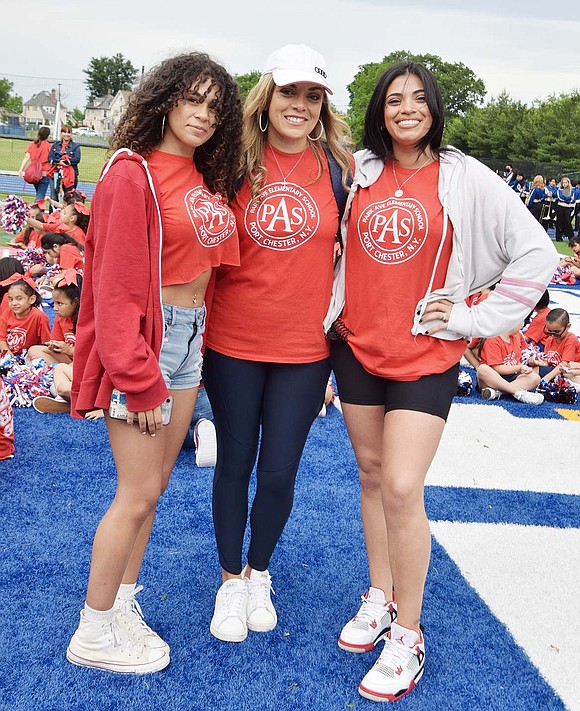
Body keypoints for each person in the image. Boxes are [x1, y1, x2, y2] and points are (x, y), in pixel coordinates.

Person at [323, 61, 558, 703]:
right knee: (371, 476)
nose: (406, 108)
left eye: (418, 99)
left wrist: (472, 318)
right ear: (380, 109)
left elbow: (538, 253)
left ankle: (409, 632)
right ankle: (379, 593)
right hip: (356, 348)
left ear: (434, 109)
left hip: (426, 354)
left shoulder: (464, 175)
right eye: (394, 99)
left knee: (402, 485)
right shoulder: (361, 171)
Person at [67, 52, 242, 674]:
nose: (202, 115)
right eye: (192, 100)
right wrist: (138, 377)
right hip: (149, 341)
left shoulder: (203, 178)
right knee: (136, 492)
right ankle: (92, 630)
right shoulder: (129, 172)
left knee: (156, 489)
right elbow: (112, 288)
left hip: (190, 340)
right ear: (165, 99)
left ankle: (122, 604)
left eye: (215, 107)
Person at [203, 43, 352, 644]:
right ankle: (229, 579)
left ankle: (259, 571)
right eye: (290, 92)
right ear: (268, 97)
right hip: (233, 341)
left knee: (281, 473)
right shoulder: (232, 160)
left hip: (304, 351)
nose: (300, 104)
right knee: (234, 463)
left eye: (312, 95)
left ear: (322, 106)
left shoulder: (340, 169)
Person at [477, 323, 544, 404]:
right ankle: (517, 392)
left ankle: (498, 393)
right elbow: (497, 368)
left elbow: (522, 355)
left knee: (535, 377)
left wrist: (529, 366)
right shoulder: (493, 339)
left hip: (511, 376)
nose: (522, 325)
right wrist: (519, 367)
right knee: (482, 368)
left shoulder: (517, 336)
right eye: (520, 322)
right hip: (492, 378)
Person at [0, 275, 50, 356]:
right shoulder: (7, 313)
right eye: (10, 299)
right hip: (8, 354)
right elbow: (2, 340)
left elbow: (45, 343)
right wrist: (9, 357)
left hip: (30, 356)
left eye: (19, 299)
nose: (14, 303)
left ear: (31, 299)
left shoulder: (40, 317)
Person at [48, 125, 81, 202]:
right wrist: (58, 162)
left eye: (68, 132)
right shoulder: (55, 145)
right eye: (64, 132)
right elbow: (50, 157)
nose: (66, 134)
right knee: (54, 197)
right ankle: (53, 213)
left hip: (70, 176)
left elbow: (76, 159)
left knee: (69, 197)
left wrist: (65, 162)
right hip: (55, 175)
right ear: (61, 133)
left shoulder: (75, 146)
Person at [17, 126, 52, 200]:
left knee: (39, 194)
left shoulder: (32, 144)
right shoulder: (49, 146)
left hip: (34, 173)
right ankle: (35, 209)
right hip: (44, 173)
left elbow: (26, 157)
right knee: (40, 195)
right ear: (48, 136)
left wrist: (21, 169)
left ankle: (38, 209)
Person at [554, 176, 575, 242]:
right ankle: (558, 238)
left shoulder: (572, 190)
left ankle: (571, 238)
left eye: (566, 182)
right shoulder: (559, 190)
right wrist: (566, 198)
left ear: (568, 183)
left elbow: (572, 199)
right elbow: (560, 197)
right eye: (563, 182)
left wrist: (566, 199)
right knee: (559, 222)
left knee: (568, 222)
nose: (564, 184)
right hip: (560, 207)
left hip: (567, 208)